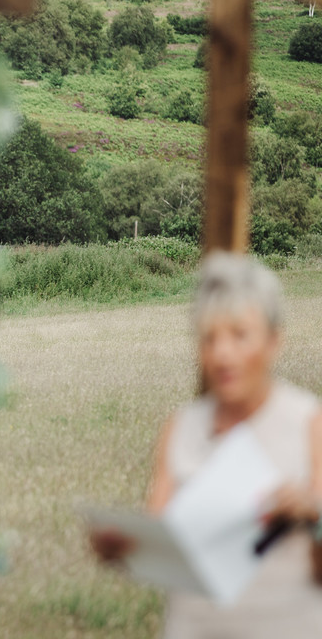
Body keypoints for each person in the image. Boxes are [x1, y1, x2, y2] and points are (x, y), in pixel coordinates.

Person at [91, 252, 322, 637]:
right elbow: (160, 540)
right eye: (209, 338)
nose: (222, 354)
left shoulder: (309, 422)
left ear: (274, 340)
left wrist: (313, 514)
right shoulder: (181, 427)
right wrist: (122, 548)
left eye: (239, 335)